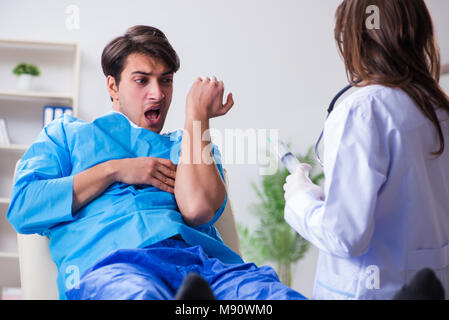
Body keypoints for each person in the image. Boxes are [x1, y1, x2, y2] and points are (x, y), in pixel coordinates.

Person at [7, 25, 306, 300]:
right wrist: (115, 171)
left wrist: (197, 116)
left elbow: (198, 209)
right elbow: (23, 206)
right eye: (142, 80)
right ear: (112, 86)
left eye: (166, 80)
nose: (158, 93)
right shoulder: (65, 135)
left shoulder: (187, 143)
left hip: (208, 270)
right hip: (116, 268)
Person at [283, 0, 449, 300]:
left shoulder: (362, 112)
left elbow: (344, 236)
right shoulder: (440, 108)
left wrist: (300, 200)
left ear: (356, 39)